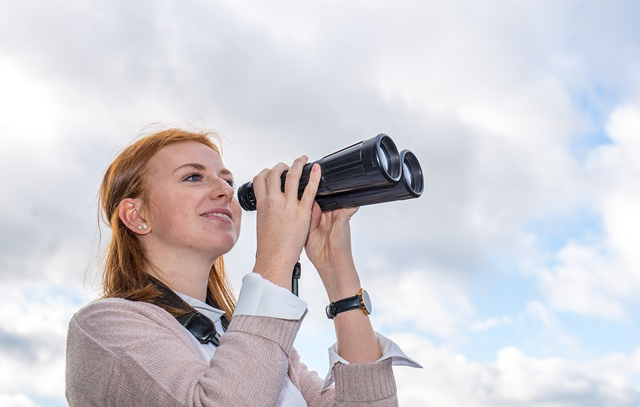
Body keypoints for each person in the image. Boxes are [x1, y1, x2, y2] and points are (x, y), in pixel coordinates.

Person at [65, 128, 419, 406]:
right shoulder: (105, 327)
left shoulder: (251, 341)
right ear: (137, 215)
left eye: (229, 181)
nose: (224, 190)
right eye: (193, 177)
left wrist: (337, 272)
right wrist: (276, 255)